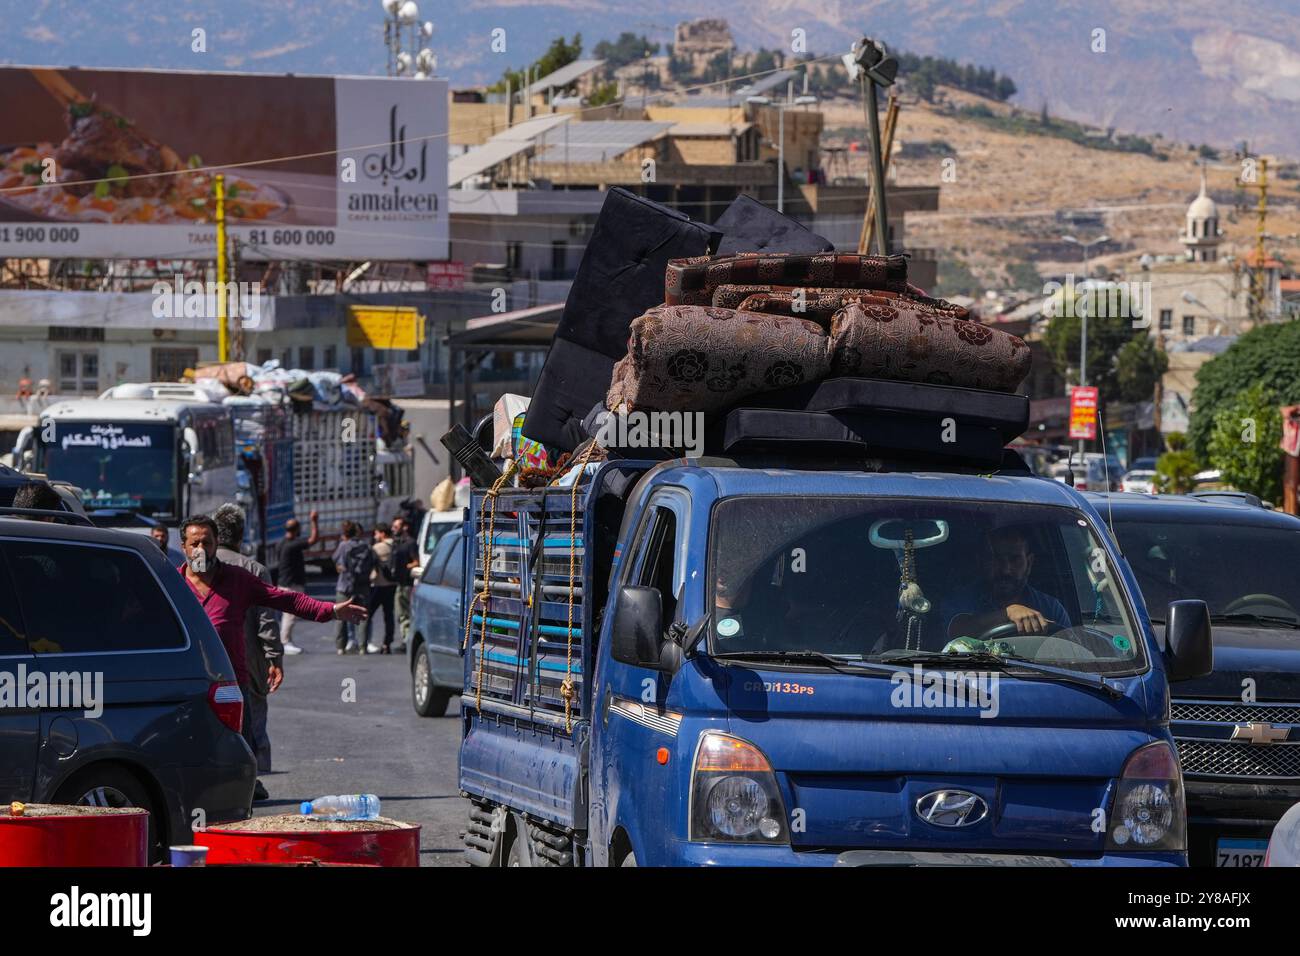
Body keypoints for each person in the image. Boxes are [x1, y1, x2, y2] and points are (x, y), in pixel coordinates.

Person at [178, 514, 367, 733]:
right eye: (195, 544)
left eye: (206, 542)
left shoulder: (238, 579)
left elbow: (287, 599)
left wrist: (332, 610)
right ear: (184, 547)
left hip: (230, 686)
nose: (201, 549)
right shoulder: (173, 585)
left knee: (237, 755)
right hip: (189, 687)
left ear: (216, 543)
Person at [212, 504, 281, 800]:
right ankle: (251, 780)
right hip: (248, 657)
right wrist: (274, 658)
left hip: (210, 658)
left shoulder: (201, 568)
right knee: (251, 718)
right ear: (241, 535)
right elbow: (267, 620)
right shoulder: (254, 569)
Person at [945, 526, 1072, 640]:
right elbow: (954, 632)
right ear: (982, 562)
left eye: (1015, 559)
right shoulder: (960, 601)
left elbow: (1069, 655)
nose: (1005, 569)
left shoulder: (1051, 608)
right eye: (996, 559)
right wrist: (1008, 613)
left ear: (1029, 563)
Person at [275, 510, 319, 655]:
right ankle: (285, 642)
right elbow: (313, 539)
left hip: (283, 581)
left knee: (287, 614)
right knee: (290, 614)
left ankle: (286, 641)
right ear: (297, 530)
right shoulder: (293, 544)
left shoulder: (281, 543)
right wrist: (314, 521)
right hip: (291, 583)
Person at [332, 522, 374, 654]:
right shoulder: (365, 546)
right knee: (363, 616)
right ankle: (362, 646)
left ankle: (341, 647)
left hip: (345, 585)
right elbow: (372, 562)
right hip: (362, 585)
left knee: (340, 615)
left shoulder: (344, 545)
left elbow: (335, 558)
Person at [365, 523, 397, 654]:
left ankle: (365, 642)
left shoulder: (377, 548)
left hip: (378, 585)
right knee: (389, 616)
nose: (375, 536)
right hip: (392, 585)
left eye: (376, 533)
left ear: (383, 533)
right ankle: (387, 643)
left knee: (367, 614)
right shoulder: (396, 546)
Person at [389, 515, 419, 653]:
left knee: (406, 614)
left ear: (404, 527)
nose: (393, 529)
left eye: (396, 526)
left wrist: (406, 566)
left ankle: (407, 641)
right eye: (393, 526)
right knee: (400, 614)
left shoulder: (410, 542)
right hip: (399, 583)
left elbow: (416, 562)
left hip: (407, 584)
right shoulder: (397, 542)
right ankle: (405, 639)